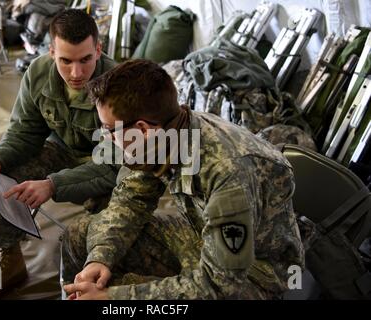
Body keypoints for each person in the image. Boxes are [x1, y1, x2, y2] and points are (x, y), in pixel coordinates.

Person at [61, 59, 305, 299]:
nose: (105, 137)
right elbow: (130, 201)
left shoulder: (227, 172)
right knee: (81, 234)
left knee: (115, 294)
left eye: (108, 129)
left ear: (142, 128)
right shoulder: (165, 132)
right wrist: (100, 257)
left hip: (254, 275)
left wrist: (115, 297)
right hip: (201, 237)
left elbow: (219, 285)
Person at [0, 9, 118, 300]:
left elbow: (113, 167)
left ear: (98, 50)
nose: (76, 73)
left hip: (106, 168)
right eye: (65, 60)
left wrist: (52, 185)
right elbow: (24, 130)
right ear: (51, 52)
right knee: (6, 178)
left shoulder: (118, 85)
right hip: (61, 152)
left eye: (86, 59)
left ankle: (99, 270)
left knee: (114, 214)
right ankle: (9, 261)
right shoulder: (38, 74)